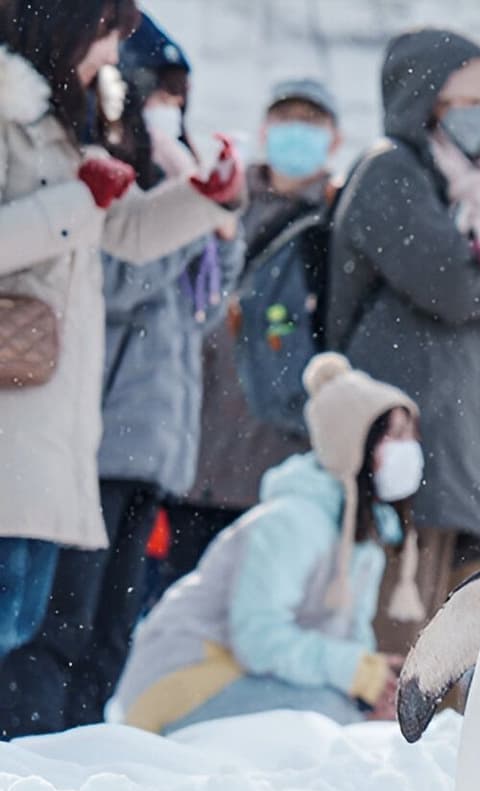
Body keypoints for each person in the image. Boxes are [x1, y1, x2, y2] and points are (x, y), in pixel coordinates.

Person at [0, 5, 245, 735]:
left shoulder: (57, 122)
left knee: (28, 626)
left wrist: (206, 197)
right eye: (106, 29)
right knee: (19, 633)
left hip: (51, 426)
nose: (113, 50)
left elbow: (127, 232)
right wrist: (80, 199)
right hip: (16, 421)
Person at [326, 28, 480, 646]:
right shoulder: (392, 172)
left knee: (439, 648)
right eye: (468, 103)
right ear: (424, 100)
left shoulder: (465, 194)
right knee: (393, 640)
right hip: (403, 447)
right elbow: (457, 287)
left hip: (449, 451)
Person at [115, 355, 423, 734]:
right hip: (184, 676)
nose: (407, 450)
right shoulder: (289, 522)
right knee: (328, 718)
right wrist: (354, 672)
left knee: (362, 724)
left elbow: (345, 636)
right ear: (354, 443)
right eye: (393, 436)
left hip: (247, 679)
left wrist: (373, 687)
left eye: (410, 436)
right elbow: (257, 638)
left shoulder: (365, 537)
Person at [166, 77, 345, 585]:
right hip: (195, 451)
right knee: (180, 614)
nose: (298, 133)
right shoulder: (220, 200)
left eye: (312, 122)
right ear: (265, 129)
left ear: (334, 139)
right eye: (288, 119)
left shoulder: (338, 221)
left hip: (280, 457)